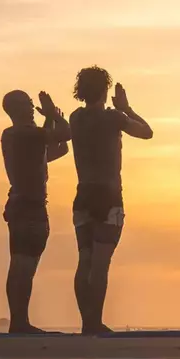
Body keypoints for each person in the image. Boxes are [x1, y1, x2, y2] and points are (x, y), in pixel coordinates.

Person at [70, 66, 154, 334]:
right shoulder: (114, 118)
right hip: (108, 195)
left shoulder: (75, 118)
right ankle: (94, 322)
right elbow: (146, 132)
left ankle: (87, 322)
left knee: (85, 260)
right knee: (100, 263)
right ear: (104, 90)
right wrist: (127, 108)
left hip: (83, 194)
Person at [1, 90, 71, 334]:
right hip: (29, 206)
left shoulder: (15, 136)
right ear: (16, 109)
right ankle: (19, 322)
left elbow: (53, 150)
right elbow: (66, 134)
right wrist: (52, 114)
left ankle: (18, 320)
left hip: (22, 204)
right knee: (23, 266)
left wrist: (49, 121)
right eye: (28, 104)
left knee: (21, 265)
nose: (32, 107)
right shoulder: (24, 133)